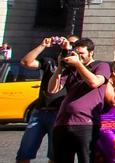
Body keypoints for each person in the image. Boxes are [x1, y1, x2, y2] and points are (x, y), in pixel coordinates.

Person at [50, 37, 111, 163]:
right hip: (63, 123)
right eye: (77, 54)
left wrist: (77, 64)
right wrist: (60, 67)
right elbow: (52, 89)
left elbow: (94, 82)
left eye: (82, 54)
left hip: (86, 124)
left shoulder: (101, 66)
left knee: (86, 159)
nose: (79, 57)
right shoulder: (70, 69)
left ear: (91, 52)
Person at [17, 35, 75, 163]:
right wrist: (43, 45)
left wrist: (69, 51)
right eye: (68, 43)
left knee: (55, 156)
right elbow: (25, 62)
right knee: (24, 153)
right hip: (40, 111)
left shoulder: (77, 67)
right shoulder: (50, 62)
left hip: (60, 114)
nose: (69, 46)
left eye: (74, 45)